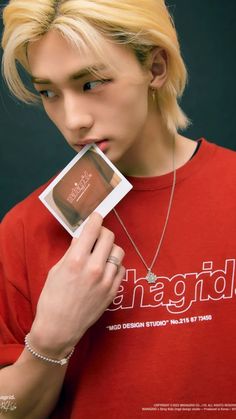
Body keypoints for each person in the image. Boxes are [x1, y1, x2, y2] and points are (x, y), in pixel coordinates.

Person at [0, 1, 235, 418]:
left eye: (91, 83)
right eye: (48, 92)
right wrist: (50, 341)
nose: (72, 120)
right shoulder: (24, 229)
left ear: (156, 68)